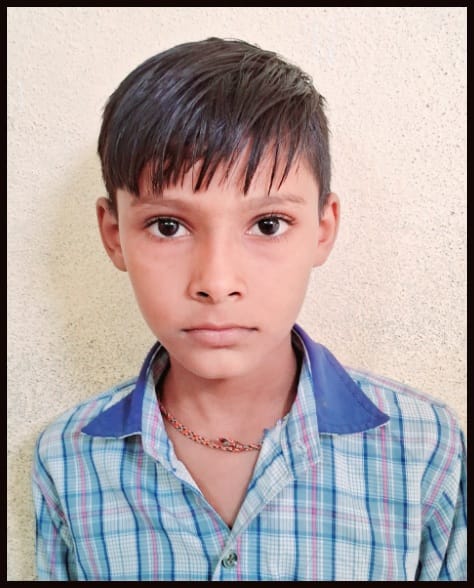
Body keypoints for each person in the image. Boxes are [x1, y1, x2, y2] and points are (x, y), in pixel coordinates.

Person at [32, 37, 466, 581]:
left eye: (267, 224)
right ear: (114, 234)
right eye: (168, 226)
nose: (217, 283)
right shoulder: (68, 461)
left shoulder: (423, 448)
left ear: (322, 229)